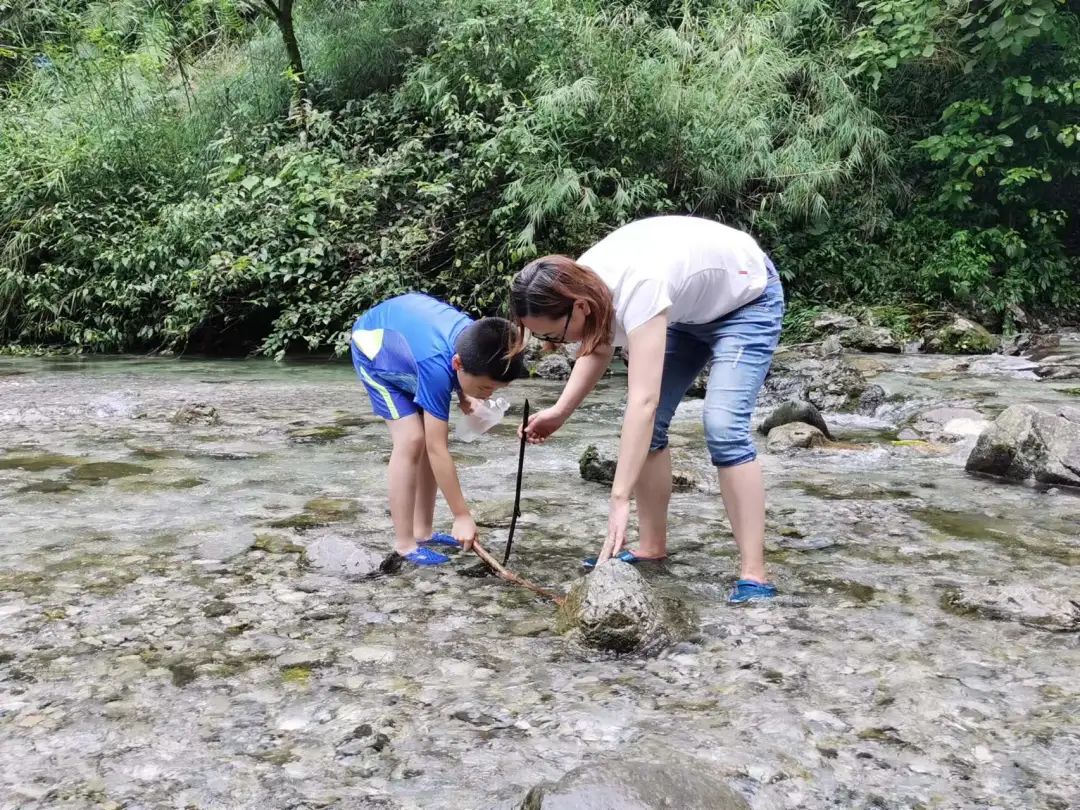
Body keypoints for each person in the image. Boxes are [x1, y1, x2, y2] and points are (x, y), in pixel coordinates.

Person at [509, 216, 784, 603]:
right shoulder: (579, 284)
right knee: (647, 433)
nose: (552, 343)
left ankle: (754, 574)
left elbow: (644, 401)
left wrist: (619, 497)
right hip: (684, 313)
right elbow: (598, 346)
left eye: (552, 334)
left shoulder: (637, 286)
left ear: (580, 307)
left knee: (723, 428)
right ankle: (652, 547)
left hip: (746, 301)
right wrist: (560, 411)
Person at [351, 293, 526, 565]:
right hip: (374, 352)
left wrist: (465, 394)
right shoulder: (436, 364)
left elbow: (455, 364)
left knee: (425, 438)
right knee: (412, 440)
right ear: (458, 364)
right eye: (484, 388)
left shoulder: (477, 339)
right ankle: (405, 544)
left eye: (495, 389)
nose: (488, 395)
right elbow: (437, 448)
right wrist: (461, 516)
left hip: (410, 351)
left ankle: (423, 532)